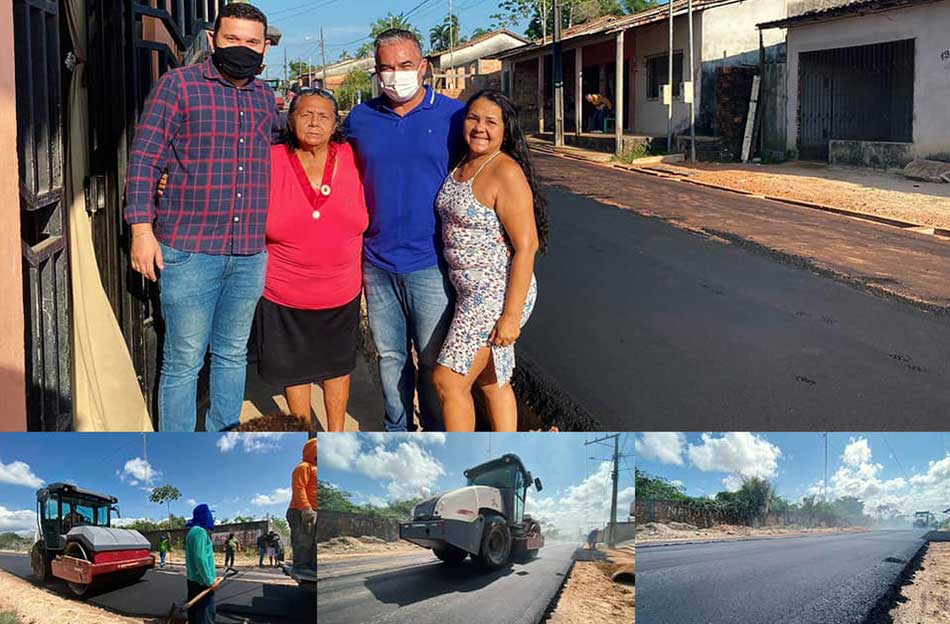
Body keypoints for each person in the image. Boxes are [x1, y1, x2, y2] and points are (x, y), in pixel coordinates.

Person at [124, 3, 278, 431]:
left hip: (248, 253)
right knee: (184, 361)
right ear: (213, 40)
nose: (242, 48)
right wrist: (141, 230)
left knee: (231, 355)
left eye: (252, 41)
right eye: (232, 39)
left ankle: (221, 437)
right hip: (189, 251)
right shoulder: (178, 86)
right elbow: (144, 160)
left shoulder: (266, 97)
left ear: (265, 47)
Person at [344, 28, 466, 432]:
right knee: (391, 357)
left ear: (424, 67)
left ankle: (433, 430)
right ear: (376, 72)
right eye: (386, 68)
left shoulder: (453, 117)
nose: (395, 75)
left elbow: (489, 171)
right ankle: (397, 429)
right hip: (376, 262)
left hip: (431, 262)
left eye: (405, 65)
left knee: (433, 358)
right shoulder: (360, 120)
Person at [250, 90, 368, 432]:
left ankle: (336, 432)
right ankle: (304, 431)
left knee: (337, 368)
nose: (314, 122)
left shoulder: (353, 156)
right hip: (284, 293)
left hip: (340, 292)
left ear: (336, 124)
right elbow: (229, 181)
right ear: (290, 119)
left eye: (323, 116)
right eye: (305, 114)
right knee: (293, 370)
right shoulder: (269, 158)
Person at [432, 91, 548, 431]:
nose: (480, 128)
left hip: (494, 296)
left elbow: (527, 246)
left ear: (506, 131)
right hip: (471, 294)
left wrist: (510, 317)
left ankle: (461, 458)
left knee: (448, 382)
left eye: (491, 122)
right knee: (491, 380)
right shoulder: (463, 163)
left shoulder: (505, 171)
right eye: (473, 118)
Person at [185, 504, 222, 624]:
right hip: (202, 582)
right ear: (205, 516)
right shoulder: (200, 532)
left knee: (194, 615)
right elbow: (200, 558)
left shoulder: (192, 532)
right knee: (206, 615)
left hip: (193, 580)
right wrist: (210, 581)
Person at [287, 438, 317, 569]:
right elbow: (299, 488)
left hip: (312, 511)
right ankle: (301, 565)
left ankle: (311, 564)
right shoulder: (304, 467)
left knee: (312, 541)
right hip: (299, 512)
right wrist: (306, 508)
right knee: (303, 540)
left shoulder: (316, 468)